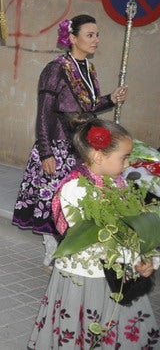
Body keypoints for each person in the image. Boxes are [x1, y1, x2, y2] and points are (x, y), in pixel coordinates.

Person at [28, 118, 158, 348]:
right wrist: (134, 258)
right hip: (85, 279)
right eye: (124, 157)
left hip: (119, 276)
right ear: (99, 157)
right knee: (86, 331)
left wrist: (149, 258)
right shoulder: (74, 189)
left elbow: (136, 229)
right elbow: (97, 242)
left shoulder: (120, 185)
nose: (128, 164)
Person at [12, 14, 127, 265]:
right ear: (72, 38)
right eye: (90, 35)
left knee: (76, 200)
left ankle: (71, 246)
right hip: (57, 145)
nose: (96, 40)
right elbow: (44, 111)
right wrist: (45, 152)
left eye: (97, 35)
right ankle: (51, 249)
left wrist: (111, 99)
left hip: (81, 145)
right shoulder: (56, 68)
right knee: (53, 198)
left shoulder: (88, 68)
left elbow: (89, 105)